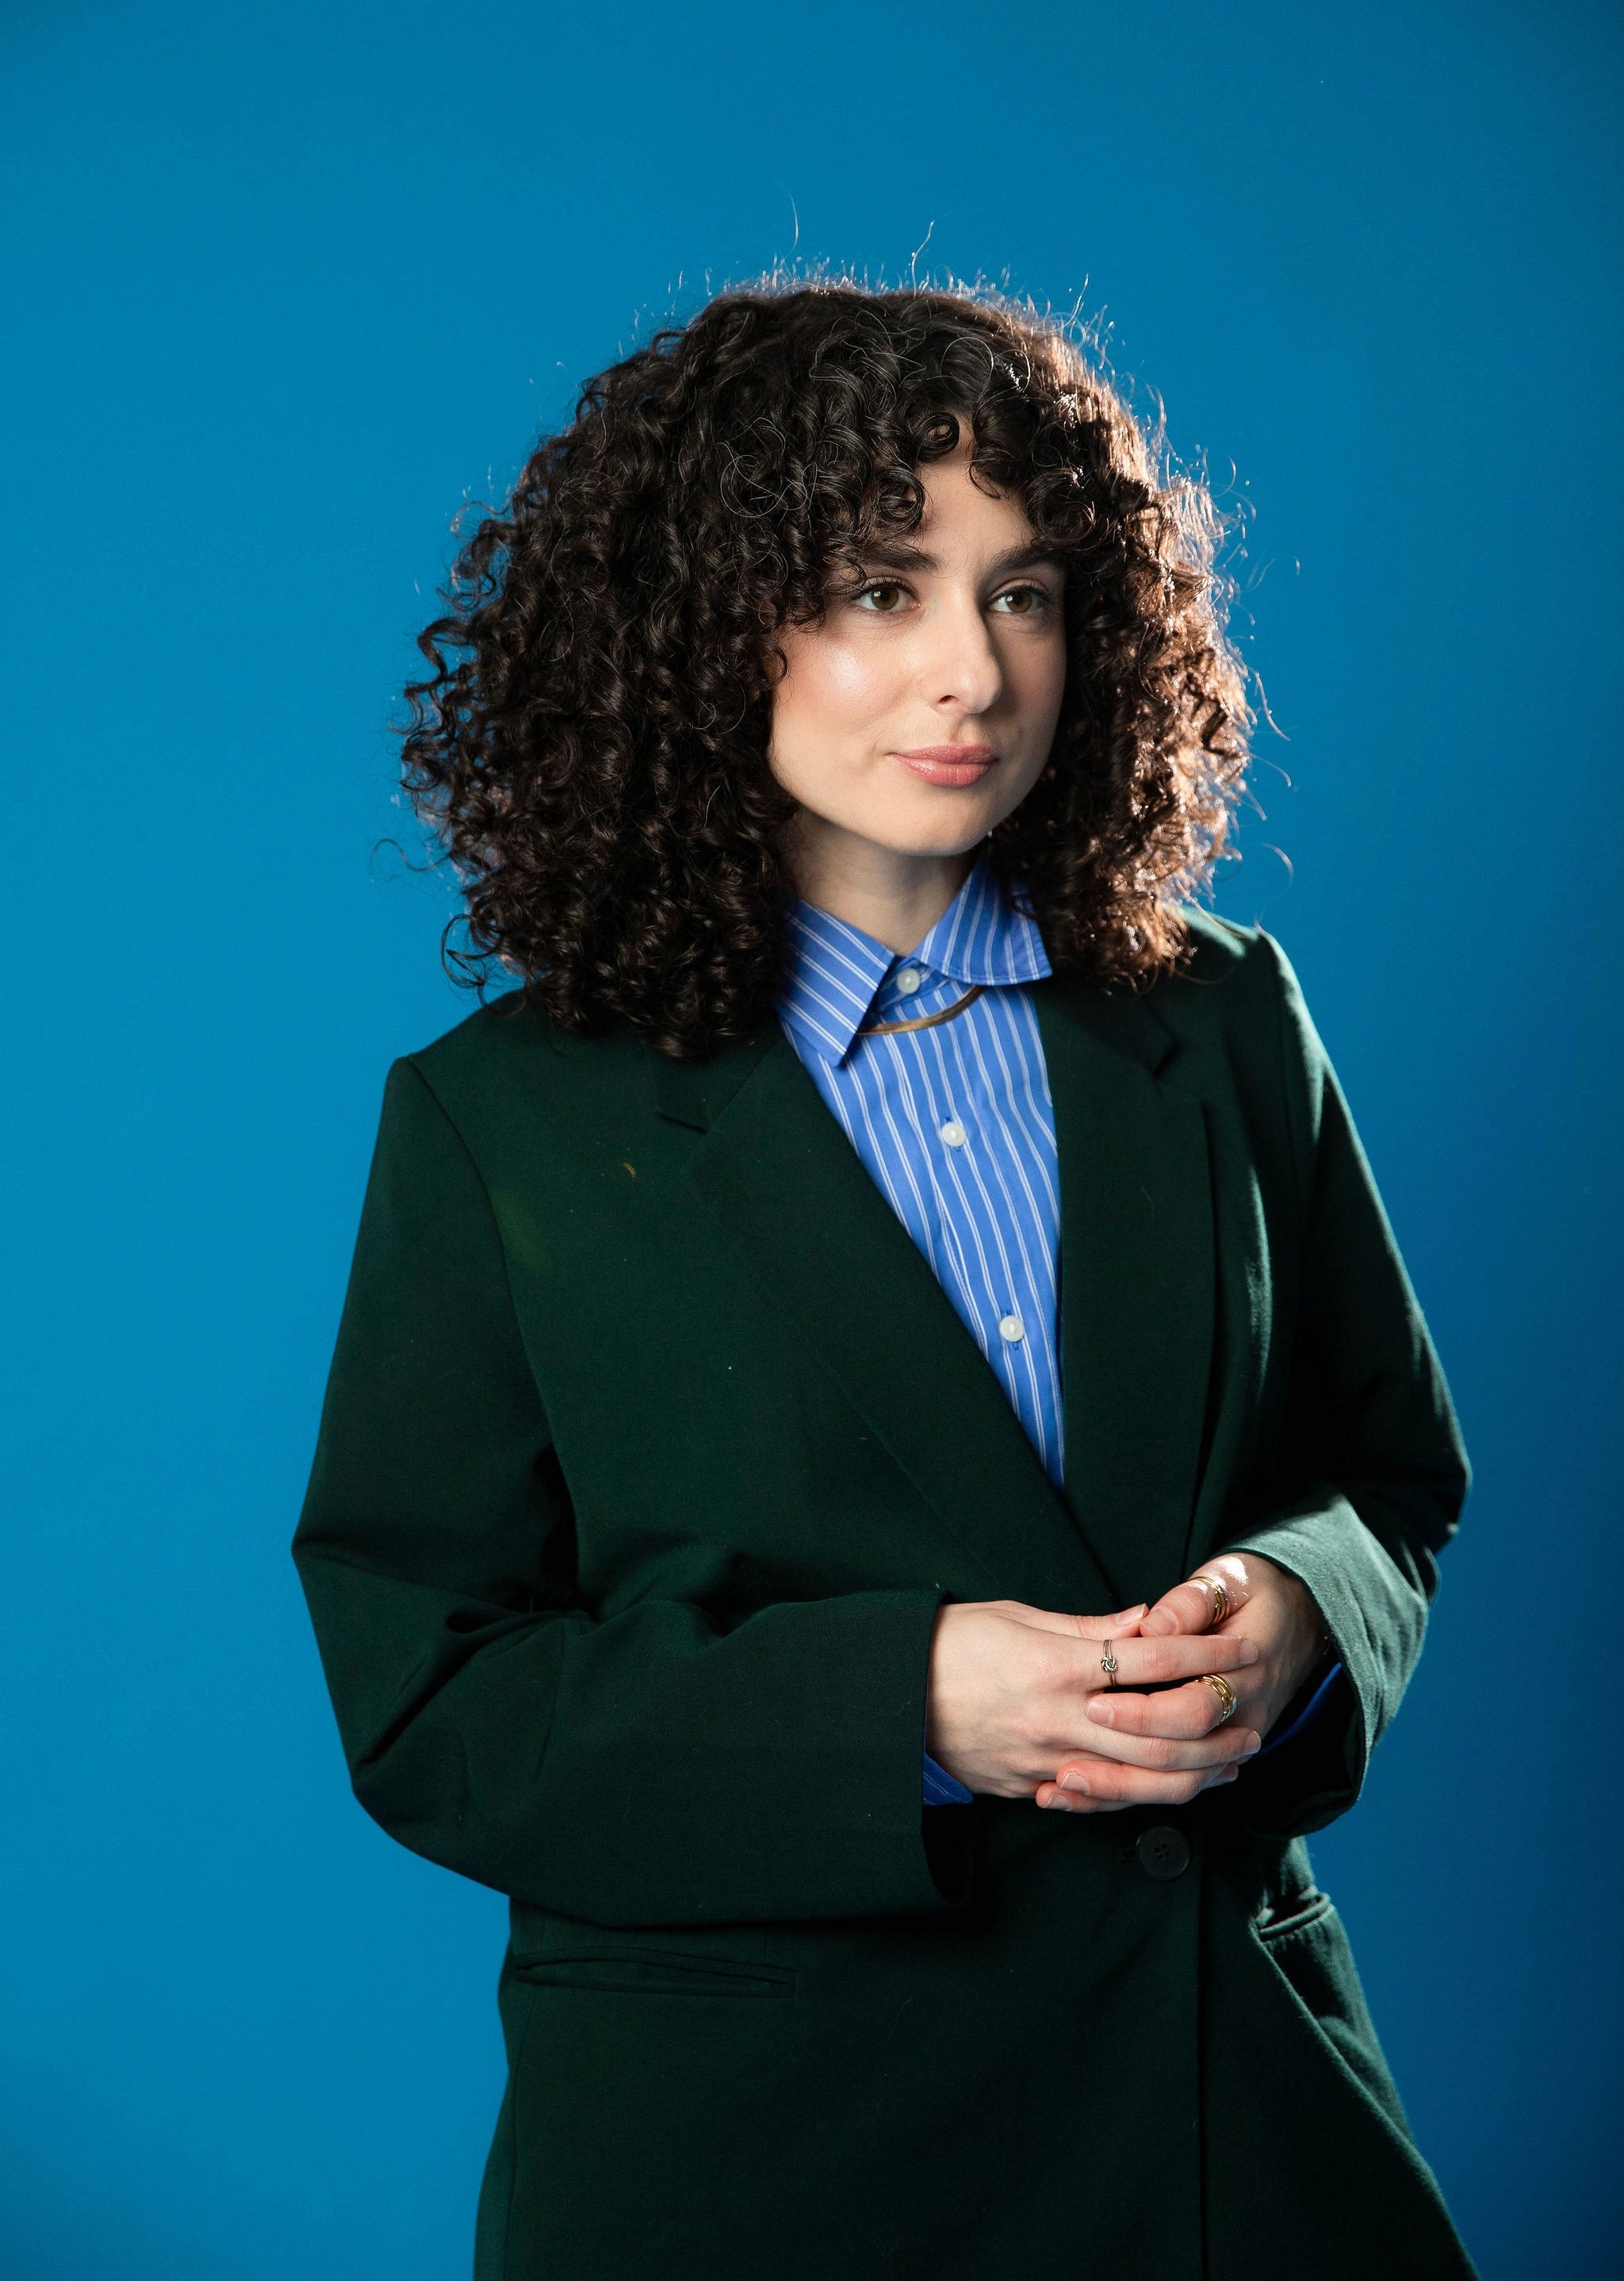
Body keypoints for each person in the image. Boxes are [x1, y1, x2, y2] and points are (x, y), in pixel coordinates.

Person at [293, 282, 1476, 2279]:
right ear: (700, 632)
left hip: (1229, 2118)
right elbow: (436, 1699)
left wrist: (1297, 1614)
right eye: (875, 590)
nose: (971, 675)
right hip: (761, 2165)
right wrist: (906, 1705)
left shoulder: (1223, 1024)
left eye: (1019, 594)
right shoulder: (500, 1123)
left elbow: (1391, 1482)